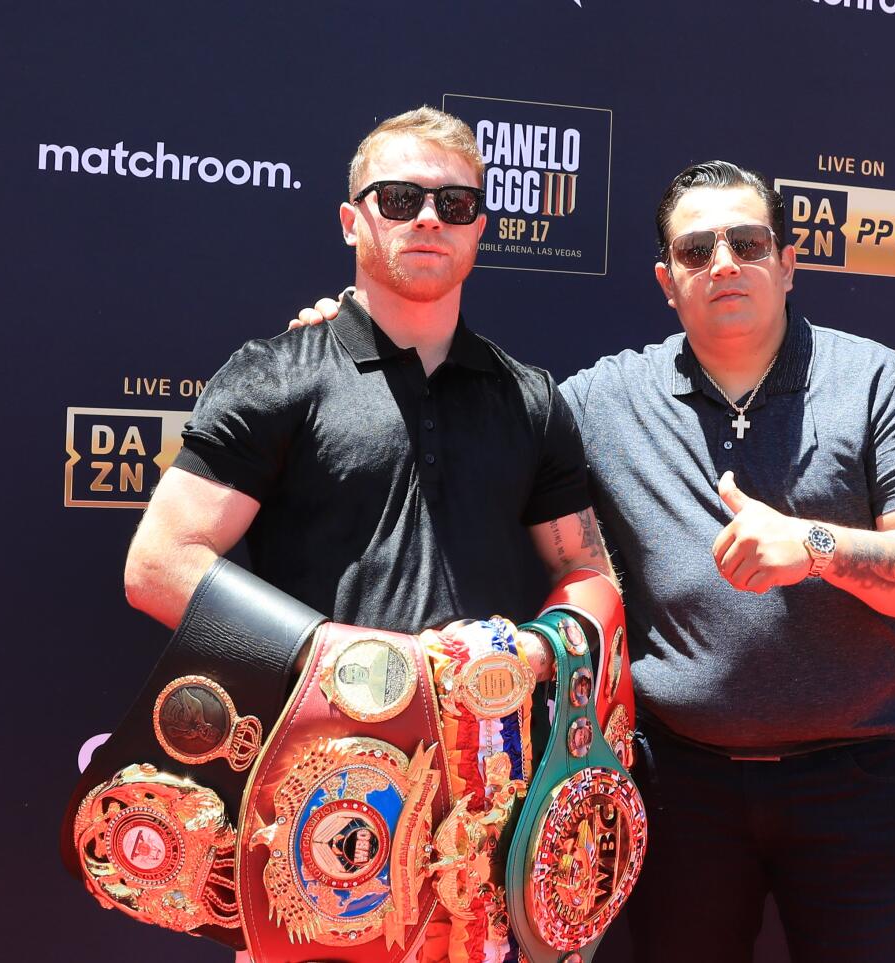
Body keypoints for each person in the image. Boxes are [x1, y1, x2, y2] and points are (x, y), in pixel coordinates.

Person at [295, 160, 895, 962]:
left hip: (856, 781)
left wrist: (814, 545)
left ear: (788, 263)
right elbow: (466, 410)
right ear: (666, 279)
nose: (723, 263)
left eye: (748, 242)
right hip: (680, 786)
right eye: (696, 251)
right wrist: (356, 343)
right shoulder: (604, 399)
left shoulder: (875, 381)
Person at [124, 104, 612, 755]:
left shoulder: (531, 396)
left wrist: (537, 649)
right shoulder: (275, 373)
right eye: (401, 198)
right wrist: (355, 660)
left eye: (456, 203)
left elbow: (586, 568)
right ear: (353, 222)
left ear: (479, 230)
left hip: (493, 775)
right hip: (315, 776)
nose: (430, 217)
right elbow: (159, 565)